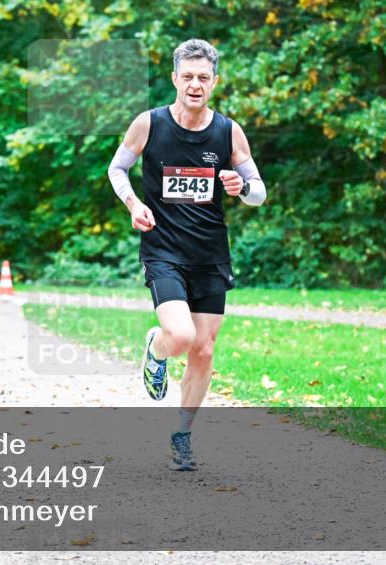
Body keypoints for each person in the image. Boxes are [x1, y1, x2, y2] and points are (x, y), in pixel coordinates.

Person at [107, 39, 267, 471]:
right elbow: (116, 168)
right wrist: (133, 204)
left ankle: (181, 435)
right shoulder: (149, 124)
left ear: (214, 82)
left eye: (204, 78)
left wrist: (242, 188)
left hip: (211, 253)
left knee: (205, 350)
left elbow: (259, 190)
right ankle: (157, 351)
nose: (195, 85)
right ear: (175, 79)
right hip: (163, 249)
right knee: (181, 337)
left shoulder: (228, 131)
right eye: (188, 77)